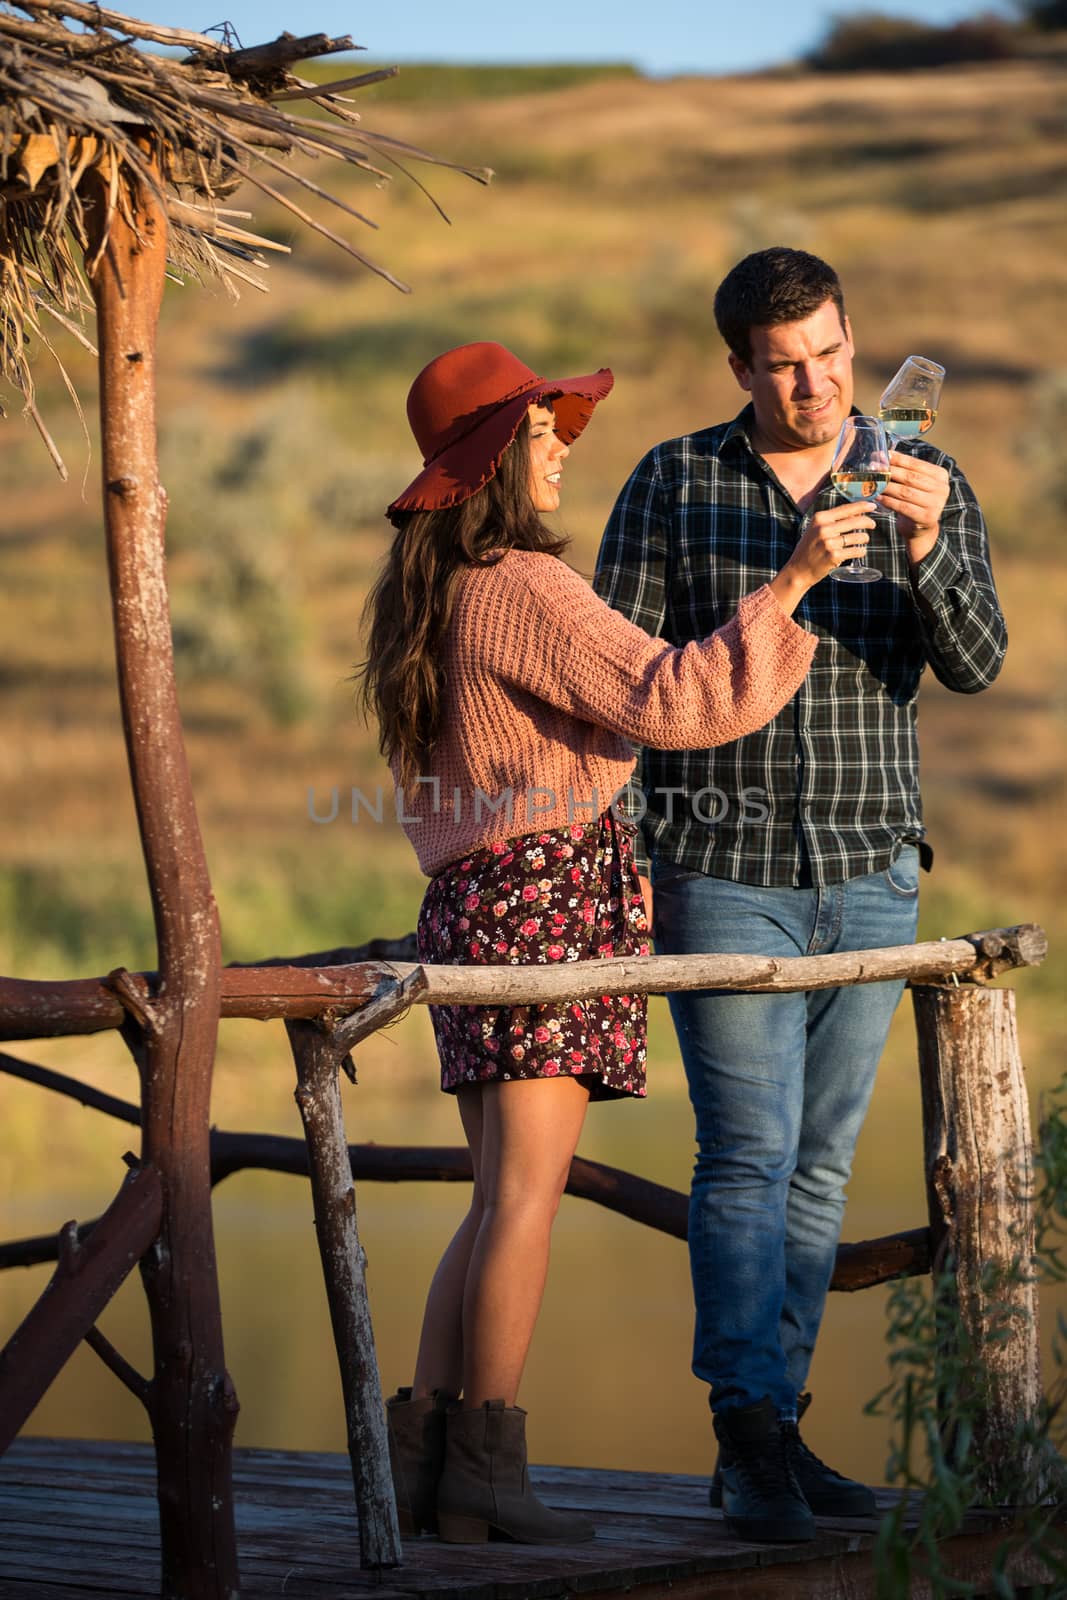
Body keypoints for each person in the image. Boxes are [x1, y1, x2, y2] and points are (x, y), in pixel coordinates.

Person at [358, 339, 871, 1546]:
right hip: (545, 906)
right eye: (540, 433)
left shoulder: (436, 591)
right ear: (492, 458)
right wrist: (789, 585)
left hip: (478, 906)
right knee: (525, 1203)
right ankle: (485, 1464)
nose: (559, 451)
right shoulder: (521, 587)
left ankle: (429, 1469)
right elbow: (676, 698)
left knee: (491, 1201)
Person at [594, 247, 1007, 1544]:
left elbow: (977, 661)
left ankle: (772, 1434)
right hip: (719, 870)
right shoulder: (673, 480)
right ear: (737, 369)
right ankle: (746, 1433)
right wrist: (791, 575)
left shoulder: (917, 481)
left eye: (829, 354)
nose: (815, 384)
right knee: (745, 1160)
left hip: (873, 872)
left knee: (818, 1169)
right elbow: (620, 674)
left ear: (850, 339)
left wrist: (928, 545)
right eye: (782, 366)